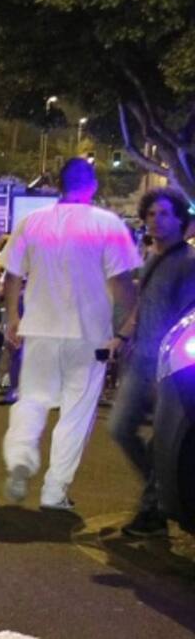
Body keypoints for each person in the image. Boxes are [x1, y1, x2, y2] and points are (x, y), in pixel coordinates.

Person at [2, 158, 140, 510]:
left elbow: (12, 276)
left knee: (32, 397)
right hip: (90, 333)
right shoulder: (107, 223)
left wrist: (13, 317)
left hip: (40, 329)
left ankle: (21, 456)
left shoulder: (32, 222)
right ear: (92, 184)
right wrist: (125, 330)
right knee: (76, 412)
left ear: (58, 185)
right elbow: (123, 285)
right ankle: (55, 490)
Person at [108, 187, 195, 536]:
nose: (156, 221)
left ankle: (154, 511)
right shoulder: (151, 259)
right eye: (151, 215)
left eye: (164, 214)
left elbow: (187, 317)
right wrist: (122, 336)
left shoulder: (188, 263)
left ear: (180, 219)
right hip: (141, 360)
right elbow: (143, 305)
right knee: (120, 427)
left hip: (170, 369)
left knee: (162, 439)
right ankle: (163, 495)